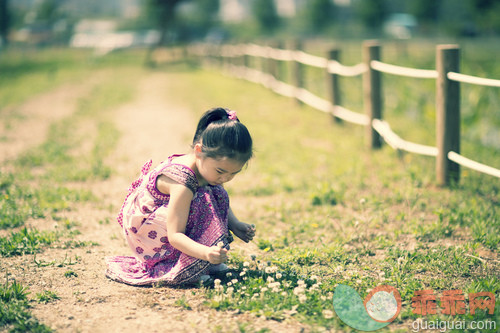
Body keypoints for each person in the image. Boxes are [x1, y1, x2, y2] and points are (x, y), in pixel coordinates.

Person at [105, 107, 255, 286]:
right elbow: (175, 235)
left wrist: (235, 224)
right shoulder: (182, 182)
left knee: (215, 191)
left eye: (233, 174)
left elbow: (219, 198)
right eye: (221, 171)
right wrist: (205, 252)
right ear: (199, 151)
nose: (225, 178)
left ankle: (198, 261)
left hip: (169, 223)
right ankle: (183, 265)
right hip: (149, 234)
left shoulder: (207, 170)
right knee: (201, 200)